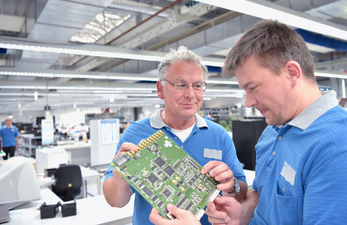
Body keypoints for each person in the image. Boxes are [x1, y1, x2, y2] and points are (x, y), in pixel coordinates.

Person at [203, 19, 347, 224]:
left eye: (253, 87)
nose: (249, 102)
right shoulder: (274, 129)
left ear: (292, 73)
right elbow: (263, 195)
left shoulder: (341, 148)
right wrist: (244, 213)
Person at [103, 46, 248, 225]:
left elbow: (241, 193)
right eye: (180, 85)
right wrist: (120, 179)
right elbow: (115, 201)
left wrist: (231, 185)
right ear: (160, 89)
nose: (190, 94)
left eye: (197, 85)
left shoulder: (219, 135)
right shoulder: (135, 133)